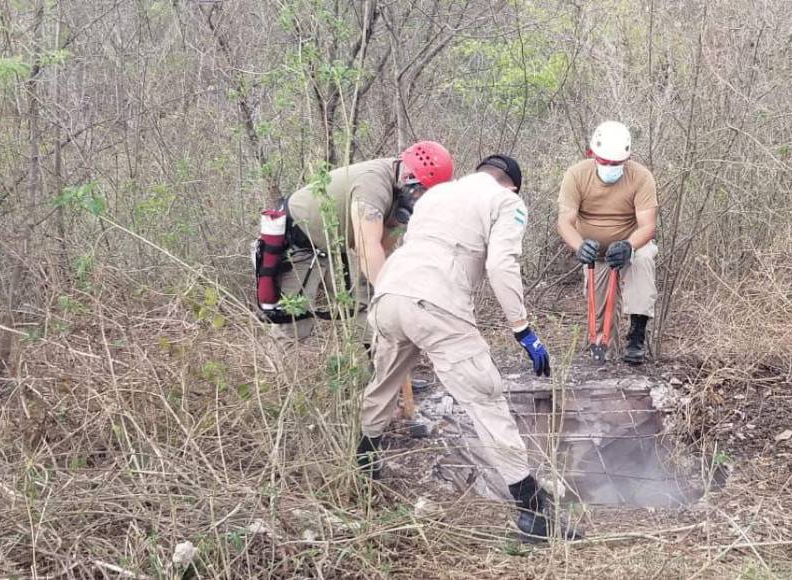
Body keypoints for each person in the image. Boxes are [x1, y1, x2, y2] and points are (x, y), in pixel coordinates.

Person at [356, 155, 581, 542]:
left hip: (389, 296)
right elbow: (501, 266)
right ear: (512, 184)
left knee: (383, 384)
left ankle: (362, 472)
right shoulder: (506, 201)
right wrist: (523, 329)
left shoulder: (435, 195)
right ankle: (533, 513)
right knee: (486, 399)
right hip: (437, 304)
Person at [268, 142, 453, 346]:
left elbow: (383, 247)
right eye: (423, 192)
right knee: (294, 321)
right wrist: (391, 294)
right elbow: (366, 247)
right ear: (409, 178)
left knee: (365, 303)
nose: (424, 199)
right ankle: (281, 365)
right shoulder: (372, 186)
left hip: (337, 242)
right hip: (299, 239)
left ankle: (379, 361)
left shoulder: (403, 194)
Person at [556, 121, 658, 364]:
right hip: (595, 253)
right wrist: (580, 246)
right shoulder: (576, 175)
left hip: (630, 245)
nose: (610, 167)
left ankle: (636, 334)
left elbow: (647, 226)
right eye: (604, 162)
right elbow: (564, 222)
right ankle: (603, 358)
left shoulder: (641, 177)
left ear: (628, 158)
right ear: (591, 154)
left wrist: (628, 246)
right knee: (600, 319)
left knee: (643, 259)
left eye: (616, 163)